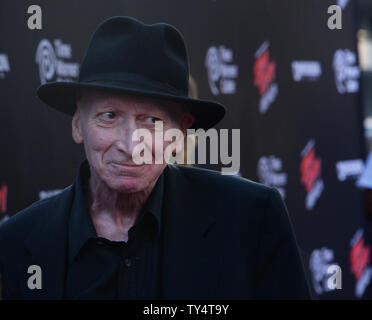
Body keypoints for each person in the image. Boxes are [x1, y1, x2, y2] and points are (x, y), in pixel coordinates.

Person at [0, 16, 310, 299]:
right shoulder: (18, 243)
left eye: (151, 121)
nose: (130, 143)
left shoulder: (251, 220)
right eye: (109, 116)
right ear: (78, 124)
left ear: (181, 131)